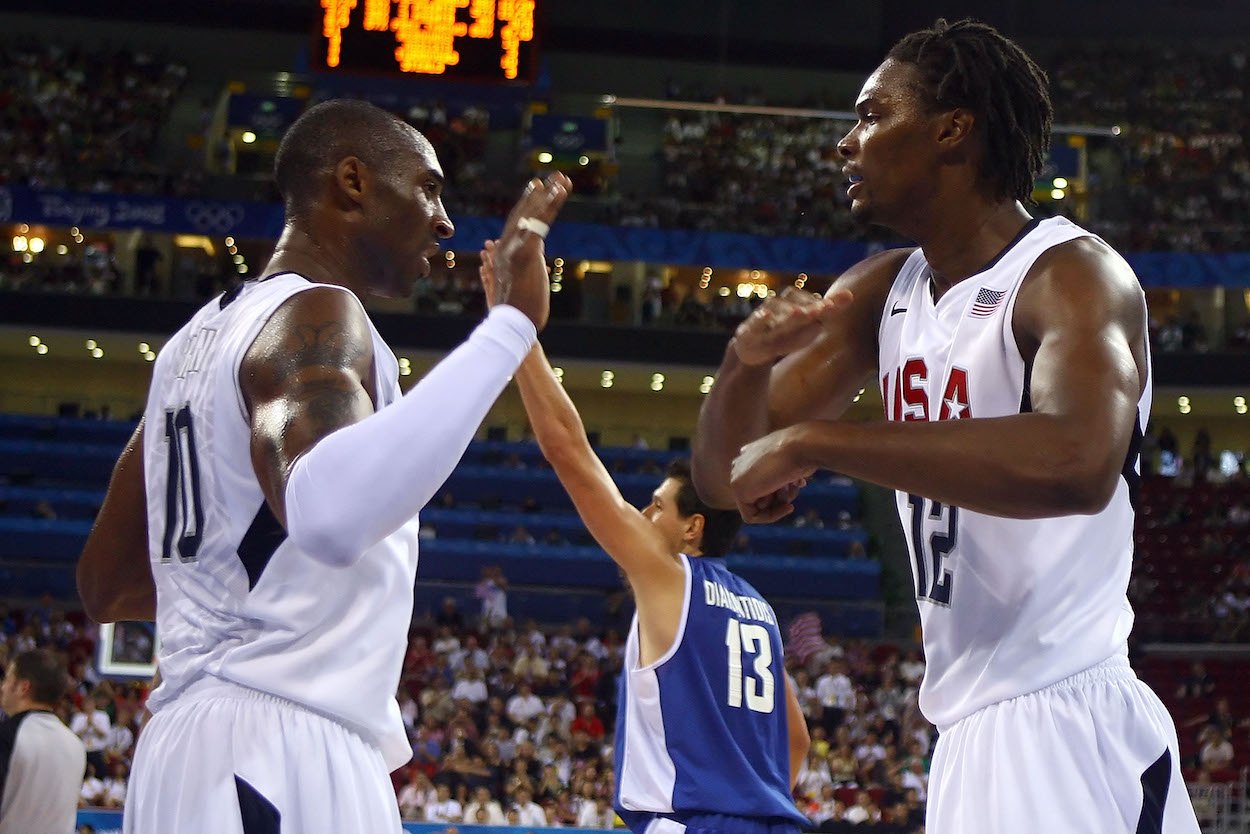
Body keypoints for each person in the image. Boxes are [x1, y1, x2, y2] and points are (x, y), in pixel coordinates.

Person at [691, 18, 1199, 834]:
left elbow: (1076, 461)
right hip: (969, 731)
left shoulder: (1072, 275)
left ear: (951, 129)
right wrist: (742, 368)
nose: (846, 143)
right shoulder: (885, 290)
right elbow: (723, 481)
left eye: (870, 116)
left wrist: (816, 441)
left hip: (1062, 713)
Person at [75, 98, 571, 834]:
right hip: (276, 745)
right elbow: (330, 515)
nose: (443, 221)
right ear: (352, 183)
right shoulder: (318, 314)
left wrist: (238, 606)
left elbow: (107, 583)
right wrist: (510, 330)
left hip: (192, 745)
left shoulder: (191, 344)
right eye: (428, 188)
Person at [485, 244, 809, 834]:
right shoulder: (758, 609)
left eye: (656, 506)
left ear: (694, 527)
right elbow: (799, 742)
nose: (641, 513)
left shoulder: (671, 576)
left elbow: (568, 451)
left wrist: (514, 328)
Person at [0, 649, 87, 834]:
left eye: (7, 679)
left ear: (23, 687)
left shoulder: (9, 735)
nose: (3, 687)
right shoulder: (75, 744)